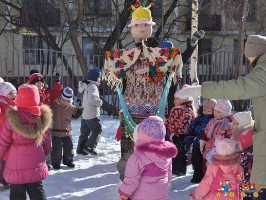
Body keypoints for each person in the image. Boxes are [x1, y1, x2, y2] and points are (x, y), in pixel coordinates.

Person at [177, 34, 266, 199]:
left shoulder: (264, 70)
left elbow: (240, 87)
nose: (248, 59)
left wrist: (201, 90)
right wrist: (249, 116)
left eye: (249, 55)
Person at [0, 84, 52, 200]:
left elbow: (3, 142)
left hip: (16, 165)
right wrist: (47, 152)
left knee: (17, 193)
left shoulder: (13, 120)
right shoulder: (42, 118)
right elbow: (47, 141)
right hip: (36, 163)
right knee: (37, 190)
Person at [118, 116, 178, 200]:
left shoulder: (138, 157)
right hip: (161, 194)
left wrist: (124, 193)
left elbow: (132, 179)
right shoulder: (166, 154)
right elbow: (168, 174)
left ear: (141, 134)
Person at [164, 84, 196, 176]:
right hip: (175, 134)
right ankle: (174, 168)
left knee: (182, 152)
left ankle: (181, 169)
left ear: (183, 99)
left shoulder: (187, 110)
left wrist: (177, 128)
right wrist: (166, 123)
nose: (174, 101)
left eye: (177, 99)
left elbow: (185, 122)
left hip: (183, 135)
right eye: (174, 99)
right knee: (174, 150)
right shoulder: (175, 109)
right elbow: (171, 119)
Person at [184, 98, 217, 183]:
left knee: (207, 161)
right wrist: (188, 140)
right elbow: (191, 129)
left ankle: (208, 178)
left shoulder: (215, 120)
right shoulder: (199, 119)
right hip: (197, 142)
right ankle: (197, 176)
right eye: (204, 110)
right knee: (196, 160)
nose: (206, 112)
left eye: (209, 110)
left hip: (210, 144)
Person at [50, 87, 83, 169]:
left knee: (69, 147)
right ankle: (56, 162)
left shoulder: (71, 107)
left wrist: (80, 108)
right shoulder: (54, 105)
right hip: (55, 132)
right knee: (56, 148)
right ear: (60, 97)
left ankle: (69, 160)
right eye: (63, 100)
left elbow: (76, 115)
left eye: (67, 101)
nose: (64, 102)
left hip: (67, 131)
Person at [76, 67, 103, 156]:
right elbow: (92, 98)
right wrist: (100, 102)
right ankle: (89, 147)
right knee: (97, 129)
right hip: (91, 113)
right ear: (95, 78)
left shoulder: (85, 85)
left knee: (85, 131)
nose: (100, 79)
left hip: (85, 113)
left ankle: (80, 149)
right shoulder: (93, 86)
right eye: (99, 77)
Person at [201, 100, 232, 170]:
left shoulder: (227, 123)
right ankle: (207, 177)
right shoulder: (212, 121)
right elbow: (206, 131)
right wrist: (202, 142)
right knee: (206, 163)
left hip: (220, 148)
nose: (215, 113)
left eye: (218, 112)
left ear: (224, 113)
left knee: (216, 165)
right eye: (215, 111)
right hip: (209, 145)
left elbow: (229, 136)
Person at [231, 111, 254, 200]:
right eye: (232, 123)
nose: (232, 125)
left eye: (235, 124)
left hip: (246, 179)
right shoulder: (236, 133)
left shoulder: (246, 135)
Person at [0, 82, 17, 189]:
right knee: (4, 160)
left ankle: (8, 179)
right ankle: (3, 180)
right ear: (4, 95)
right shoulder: (2, 105)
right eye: (10, 93)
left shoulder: (14, 105)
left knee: (10, 160)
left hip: (12, 137)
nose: (14, 95)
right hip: (3, 137)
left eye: (15, 92)